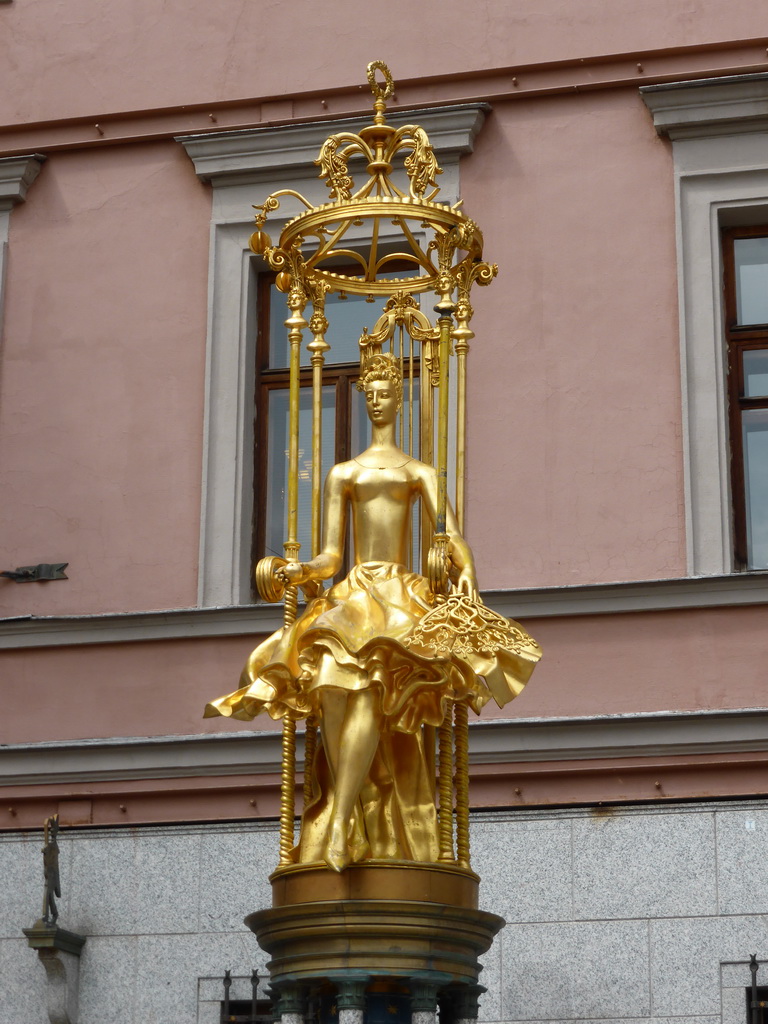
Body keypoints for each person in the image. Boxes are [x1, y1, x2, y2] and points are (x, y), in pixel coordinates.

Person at [205, 353, 540, 871]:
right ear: (364, 400)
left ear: (399, 398)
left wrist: (466, 571)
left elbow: (447, 534)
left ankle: (339, 821)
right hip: (355, 593)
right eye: (370, 392)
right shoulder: (343, 474)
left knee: (365, 692)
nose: (377, 399)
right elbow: (331, 557)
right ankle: (352, 803)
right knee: (331, 692)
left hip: (400, 597)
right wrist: (297, 573)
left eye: (385, 391)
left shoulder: (419, 472)